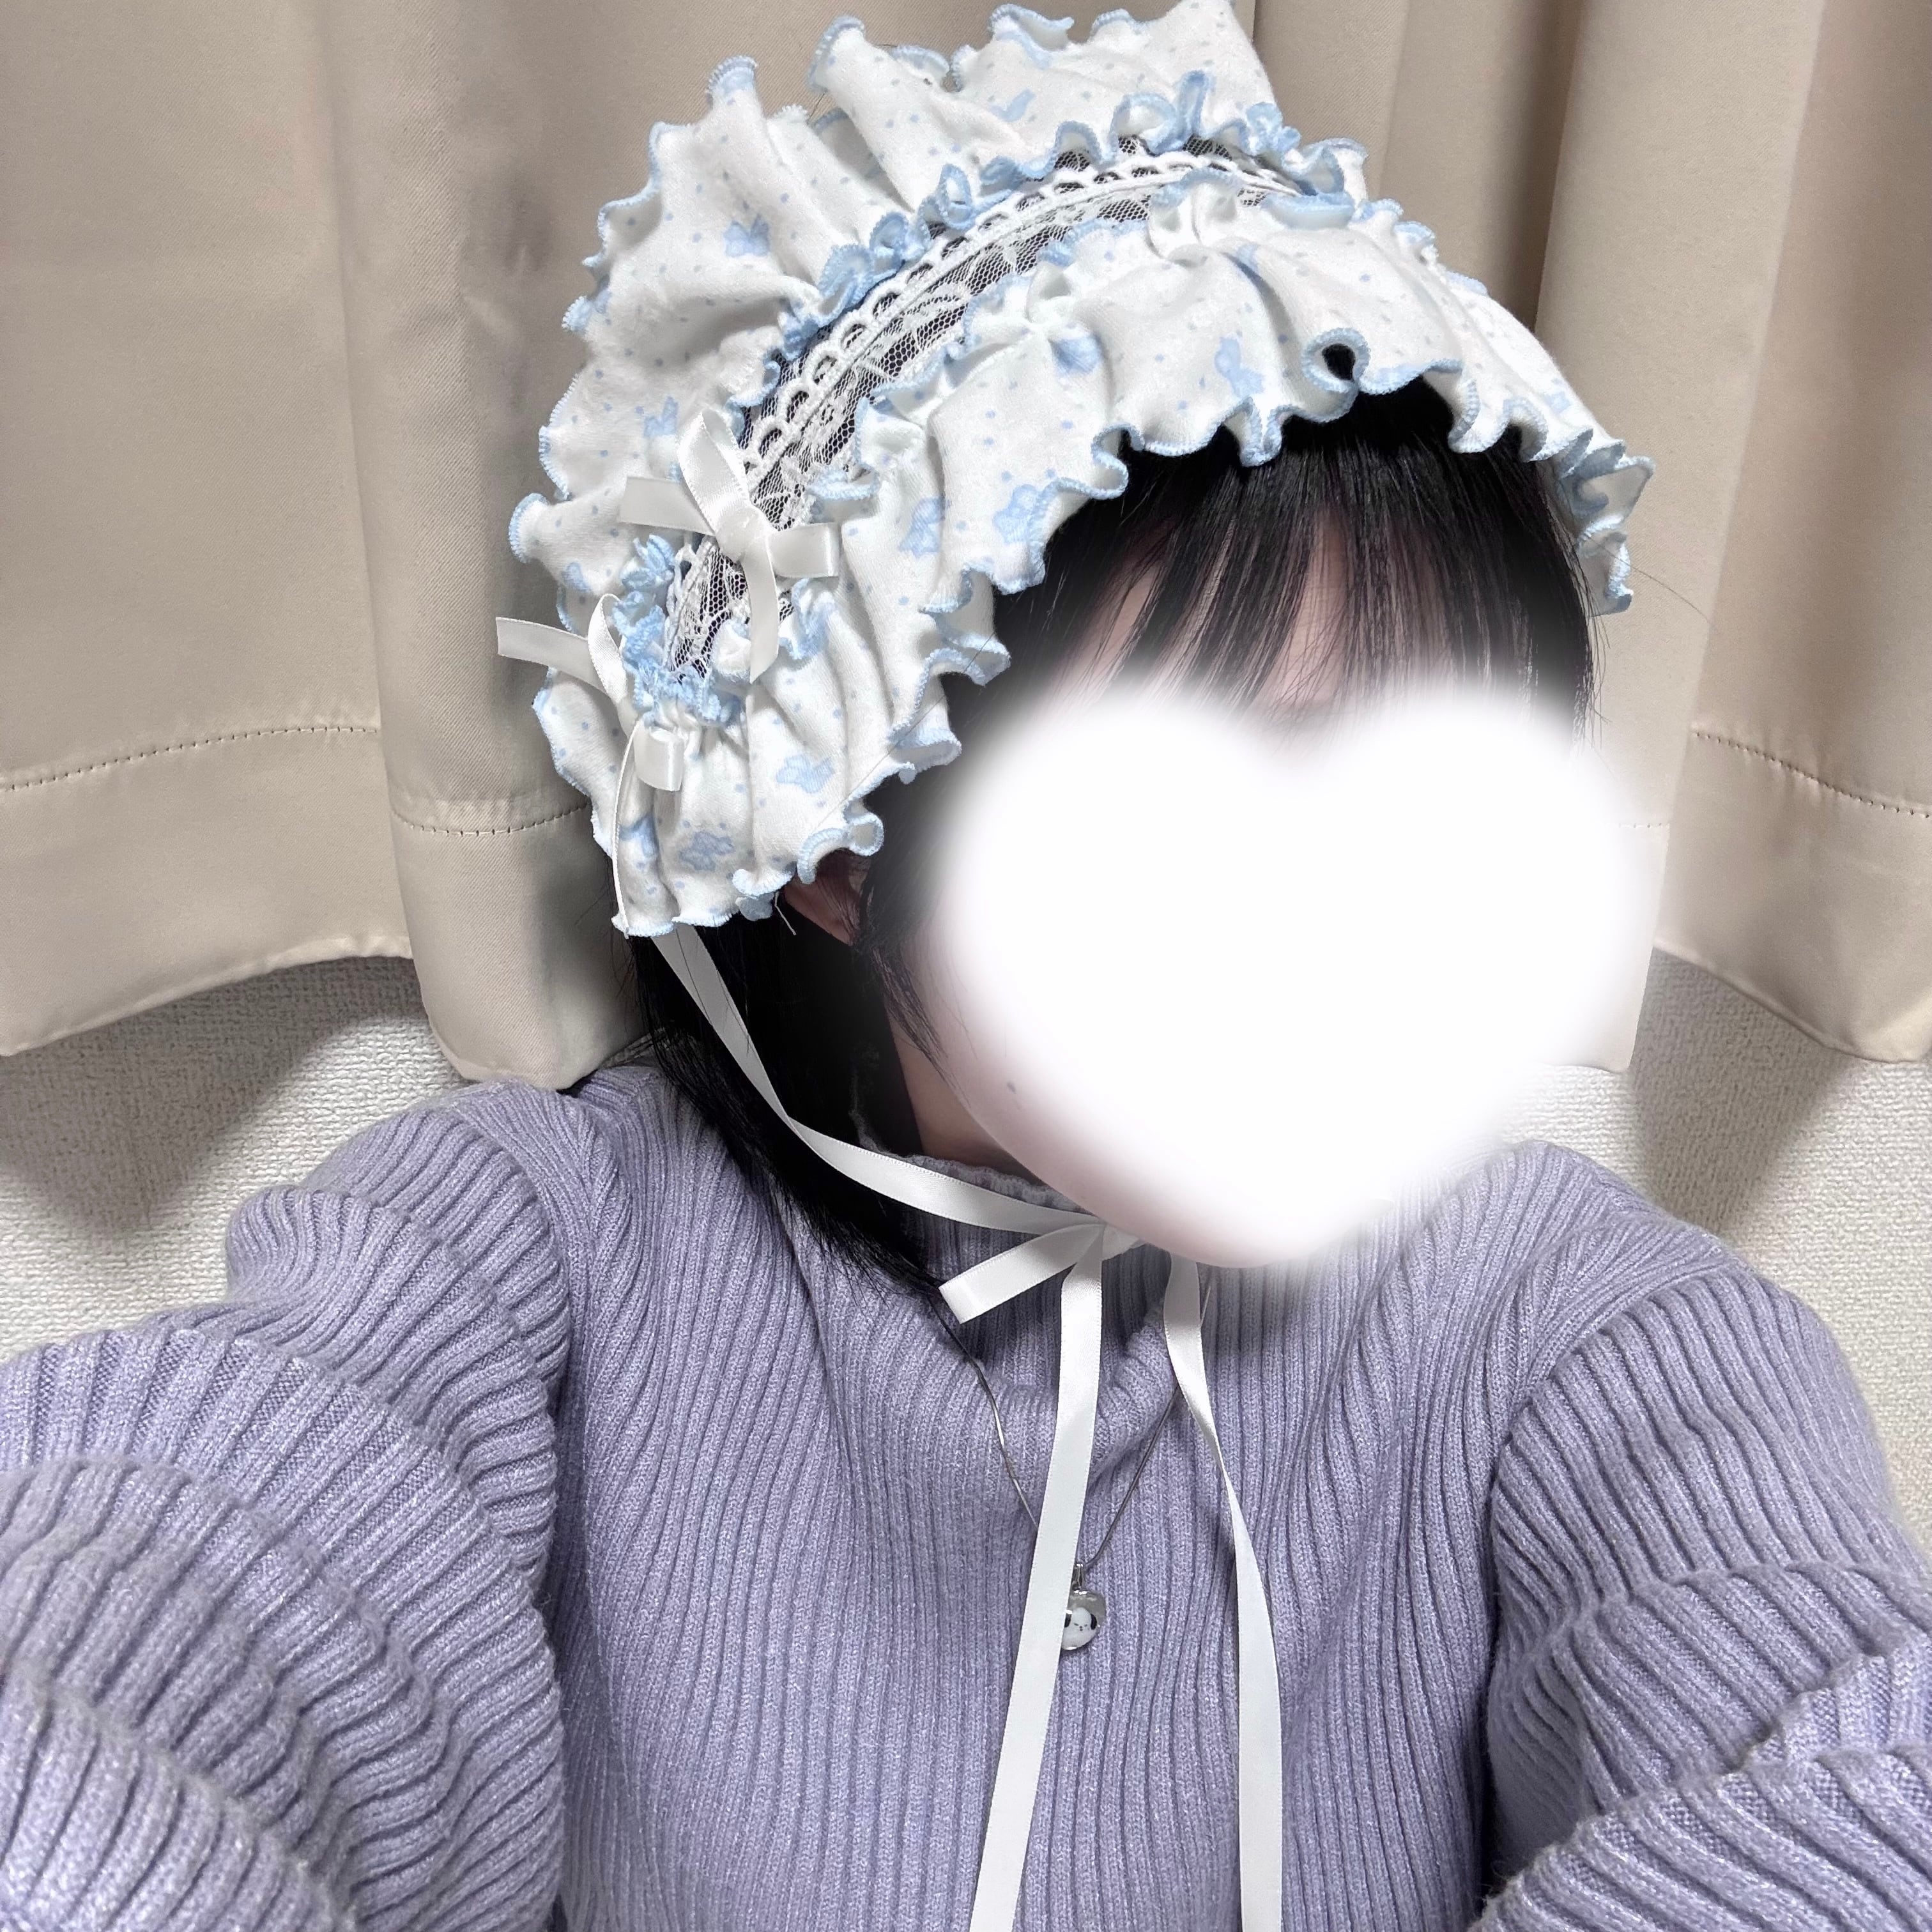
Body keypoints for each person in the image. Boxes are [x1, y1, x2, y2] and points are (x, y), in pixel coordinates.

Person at [4, 4, 1929, 1929]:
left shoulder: (1568, 1329)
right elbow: (150, 1617)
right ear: (839, 827)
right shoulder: (529, 1265)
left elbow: (1852, 1775)